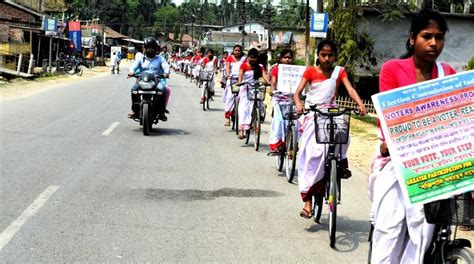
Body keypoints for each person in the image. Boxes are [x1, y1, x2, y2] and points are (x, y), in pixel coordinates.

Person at [368, 9, 456, 264]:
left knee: (423, 234)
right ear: (412, 38)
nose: (433, 43)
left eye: (439, 37)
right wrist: (389, 144)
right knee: (389, 229)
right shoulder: (393, 69)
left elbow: (453, 118)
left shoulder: (447, 73)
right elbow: (388, 117)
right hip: (398, 158)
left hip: (434, 162)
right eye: (426, 36)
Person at [294, 40, 367, 218]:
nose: (327, 58)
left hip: (332, 111)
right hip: (314, 113)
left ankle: (341, 163)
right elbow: (297, 93)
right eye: (323, 55)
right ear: (318, 55)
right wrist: (298, 104)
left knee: (344, 135)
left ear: (335, 56)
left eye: (330, 55)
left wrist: (360, 104)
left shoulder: (339, 72)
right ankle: (308, 201)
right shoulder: (310, 71)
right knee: (312, 151)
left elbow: (350, 89)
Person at [127, 37, 171, 121]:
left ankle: (161, 112)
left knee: (162, 89)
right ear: (145, 48)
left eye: (152, 48)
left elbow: (166, 66)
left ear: (155, 49)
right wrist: (131, 71)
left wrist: (166, 73)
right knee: (133, 89)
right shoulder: (140, 59)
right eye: (148, 48)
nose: (150, 50)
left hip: (156, 81)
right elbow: (134, 66)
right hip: (142, 80)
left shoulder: (160, 59)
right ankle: (135, 110)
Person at [235, 48, 270, 139]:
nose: (253, 59)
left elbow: (264, 76)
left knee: (260, 103)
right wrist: (239, 82)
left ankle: (256, 121)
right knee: (243, 108)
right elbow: (240, 76)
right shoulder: (244, 66)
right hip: (245, 88)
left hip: (256, 88)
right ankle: (241, 130)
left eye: (255, 58)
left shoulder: (260, 66)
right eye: (251, 57)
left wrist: (268, 82)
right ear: (248, 57)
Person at [268, 49, 295, 153]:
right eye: (285, 57)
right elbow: (273, 82)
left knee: (296, 121)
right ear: (281, 59)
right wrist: (273, 90)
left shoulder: (295, 70)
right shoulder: (276, 69)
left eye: (289, 57)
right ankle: (277, 143)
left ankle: (293, 142)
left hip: (291, 98)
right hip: (279, 98)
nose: (287, 59)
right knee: (279, 121)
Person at [223, 45, 246, 126]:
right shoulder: (229, 58)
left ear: (241, 51)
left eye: (238, 50)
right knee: (230, 97)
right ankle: (227, 118)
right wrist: (228, 74)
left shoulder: (244, 59)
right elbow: (228, 67)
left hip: (242, 80)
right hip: (232, 79)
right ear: (233, 51)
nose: (237, 52)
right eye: (235, 50)